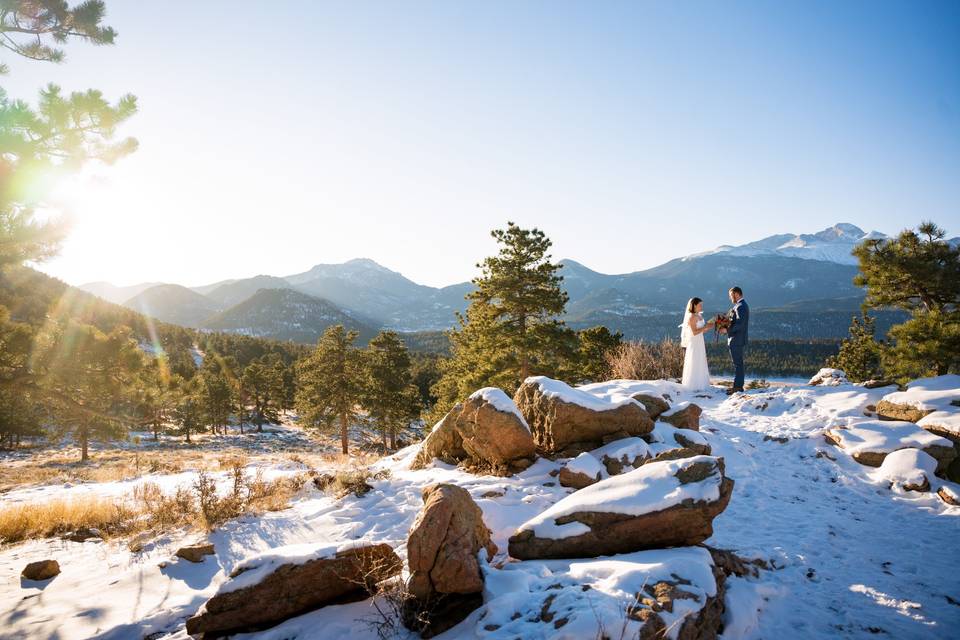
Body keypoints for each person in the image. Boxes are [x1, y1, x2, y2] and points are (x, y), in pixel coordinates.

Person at [720, 286, 750, 395]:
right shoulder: (739, 306)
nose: (730, 298)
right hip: (737, 339)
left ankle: (738, 387)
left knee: (738, 364)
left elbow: (740, 324)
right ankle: (737, 386)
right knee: (738, 364)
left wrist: (726, 329)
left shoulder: (741, 306)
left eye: (730, 295)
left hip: (736, 339)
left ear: (736, 294)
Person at [680, 297, 714, 390]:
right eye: (700, 305)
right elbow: (694, 332)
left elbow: (701, 331)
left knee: (700, 359)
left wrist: (709, 326)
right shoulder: (692, 317)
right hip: (694, 342)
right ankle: (693, 385)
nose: (701, 306)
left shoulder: (699, 316)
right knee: (694, 360)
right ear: (694, 305)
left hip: (700, 341)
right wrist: (705, 327)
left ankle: (701, 383)